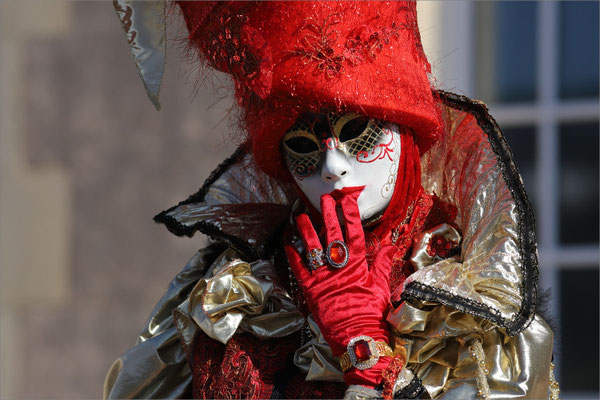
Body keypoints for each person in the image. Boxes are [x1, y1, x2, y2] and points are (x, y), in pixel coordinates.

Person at [105, 1, 559, 399]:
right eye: (303, 147)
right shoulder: (226, 293)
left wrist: (365, 354)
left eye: (359, 134)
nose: (333, 168)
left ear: (408, 132)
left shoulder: (471, 304)